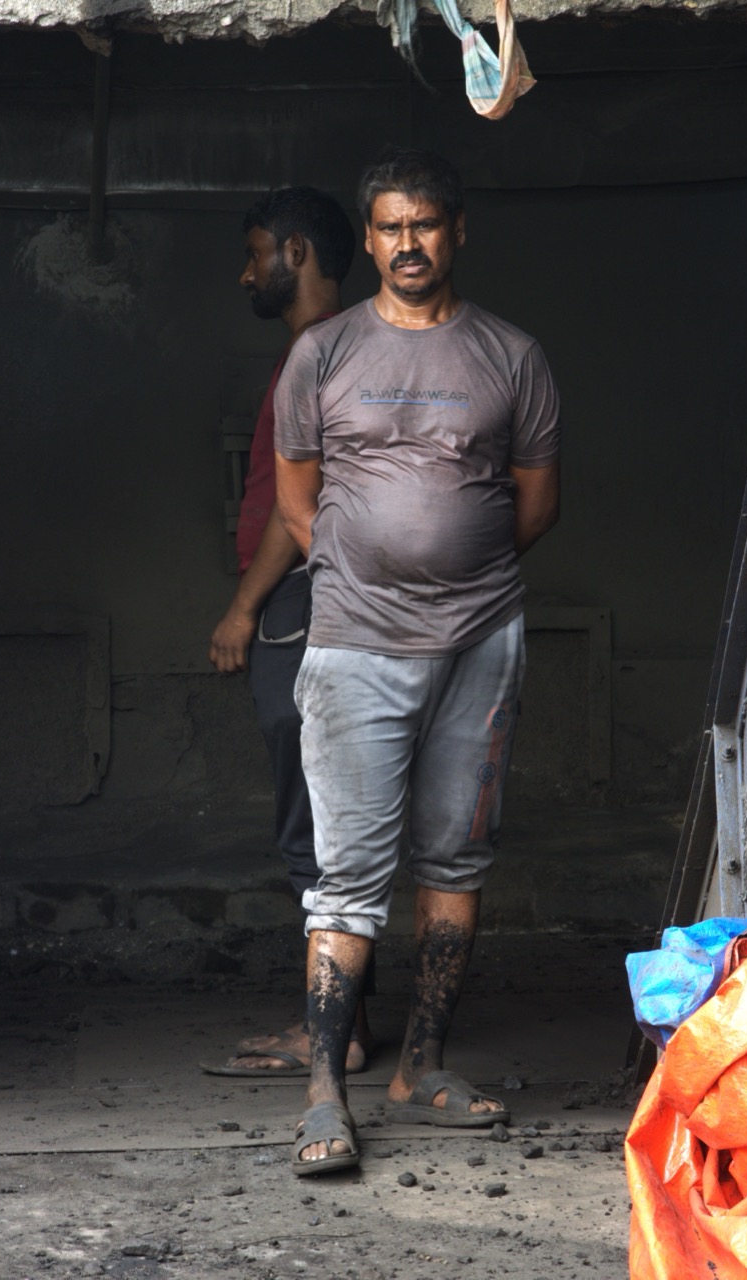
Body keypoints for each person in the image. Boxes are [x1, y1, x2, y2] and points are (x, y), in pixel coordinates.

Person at [274, 148, 561, 1175]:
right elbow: (297, 497)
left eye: (425, 225)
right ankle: (323, 1092)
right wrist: (372, 573)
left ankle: (421, 1065)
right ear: (367, 237)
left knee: (454, 859)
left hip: (480, 639)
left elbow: (532, 502)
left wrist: (451, 578)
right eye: (390, 227)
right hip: (353, 643)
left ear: (456, 231)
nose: (407, 244)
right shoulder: (320, 354)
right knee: (348, 877)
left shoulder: (511, 356)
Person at [202, 187, 374, 1078]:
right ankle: (340, 1023)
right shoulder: (330, 351)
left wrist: (243, 609)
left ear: (297, 252)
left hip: (301, 604)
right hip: (306, 602)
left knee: (316, 824)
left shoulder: (317, 352)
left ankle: (330, 1030)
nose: (246, 272)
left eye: (257, 252)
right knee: (329, 817)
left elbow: (296, 511)